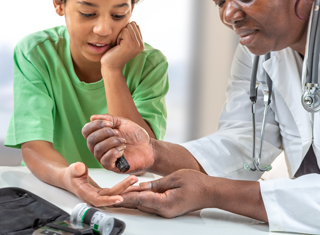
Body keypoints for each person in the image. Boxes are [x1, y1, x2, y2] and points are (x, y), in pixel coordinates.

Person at [81, 0, 320, 234]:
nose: (228, 15)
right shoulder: (259, 52)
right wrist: (155, 153)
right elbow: (243, 141)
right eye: (220, 3)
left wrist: (214, 192)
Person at [4, 0, 169, 206]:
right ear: (59, 4)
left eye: (118, 15)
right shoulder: (36, 53)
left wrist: (112, 69)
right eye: (88, 13)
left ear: (131, 10)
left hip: (126, 196)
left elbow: (139, 160)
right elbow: (34, 146)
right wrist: (69, 179)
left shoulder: (150, 64)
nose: (103, 29)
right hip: (51, 190)